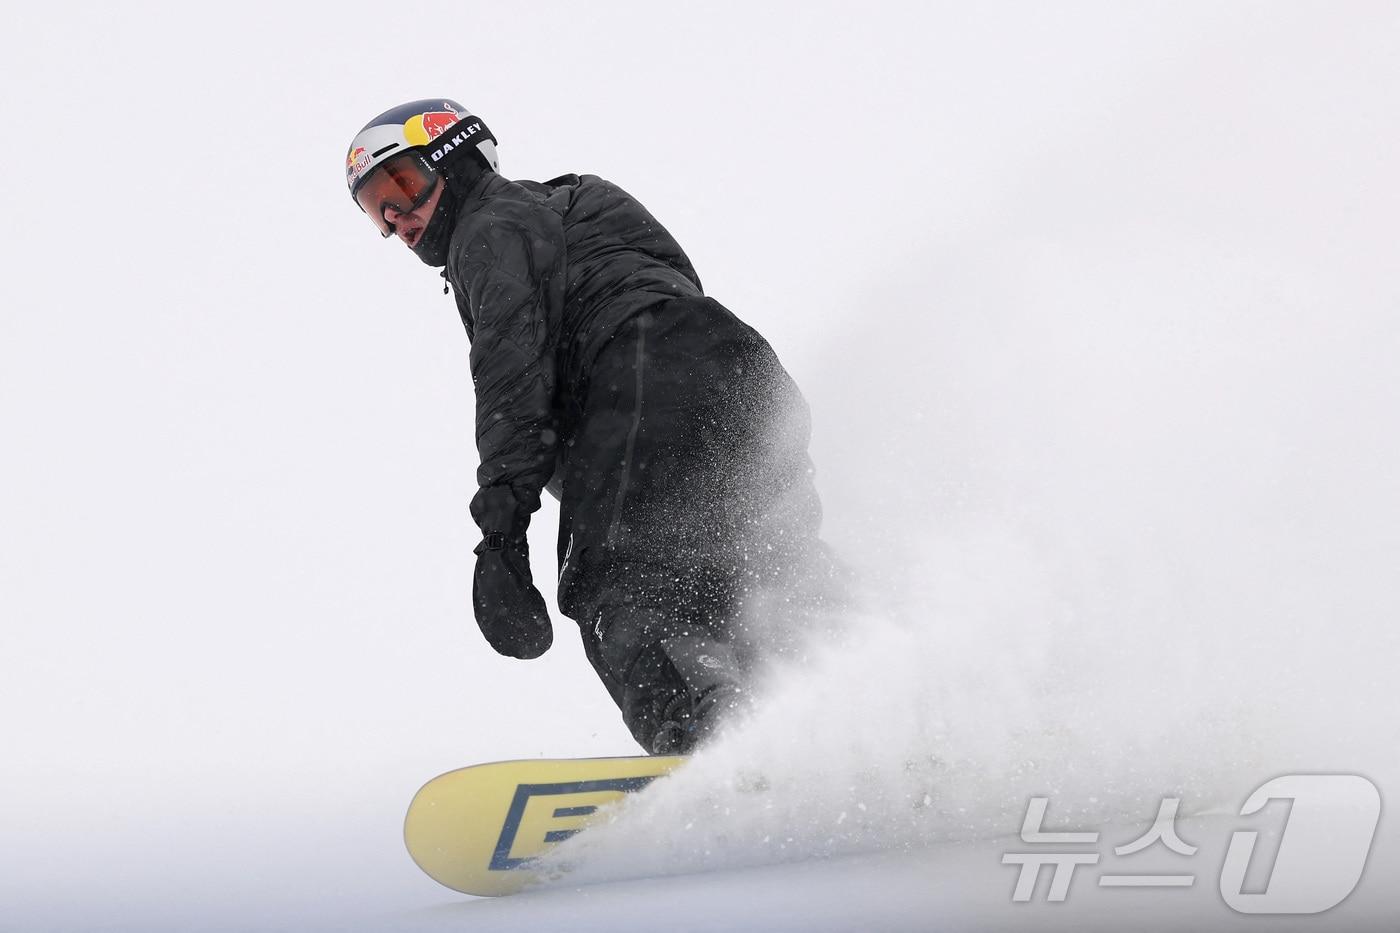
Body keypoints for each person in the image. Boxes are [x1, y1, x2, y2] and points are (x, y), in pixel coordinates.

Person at [344, 99, 838, 754]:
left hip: (644, 374)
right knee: (757, 575)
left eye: (401, 184)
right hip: (745, 378)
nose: (397, 218)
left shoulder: (489, 227)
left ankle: (713, 743)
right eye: (376, 208)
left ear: (456, 159)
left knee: (619, 585)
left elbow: (511, 382)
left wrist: (502, 534)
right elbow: (678, 285)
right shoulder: (581, 200)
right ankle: (871, 692)